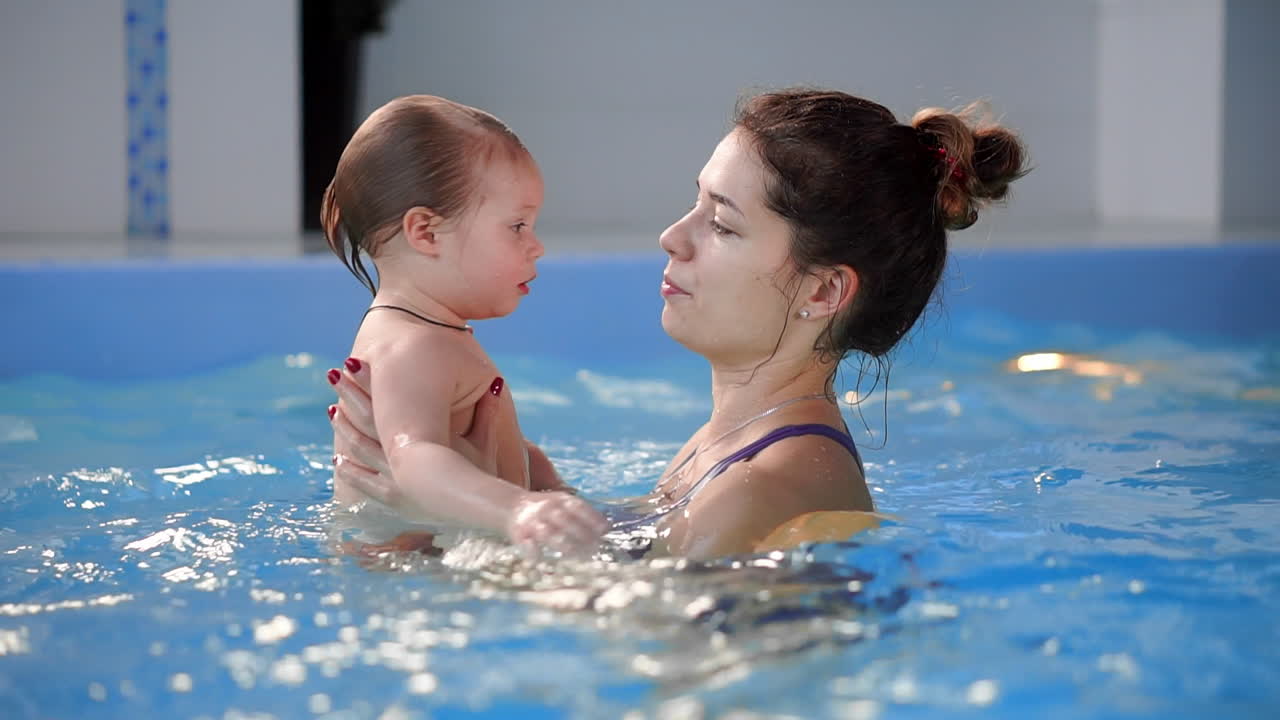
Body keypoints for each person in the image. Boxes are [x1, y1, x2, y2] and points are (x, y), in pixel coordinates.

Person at [328, 88, 1027, 559]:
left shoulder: (759, 489)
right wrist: (533, 491)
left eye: (720, 223)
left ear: (821, 291)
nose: (672, 236)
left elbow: (649, 667)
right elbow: (630, 566)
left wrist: (444, 543)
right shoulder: (729, 445)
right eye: (692, 204)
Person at [322, 94, 607, 556]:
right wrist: (517, 509)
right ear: (427, 233)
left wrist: (543, 481)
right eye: (517, 226)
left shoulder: (428, 332)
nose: (537, 247)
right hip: (415, 565)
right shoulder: (411, 345)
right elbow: (415, 459)